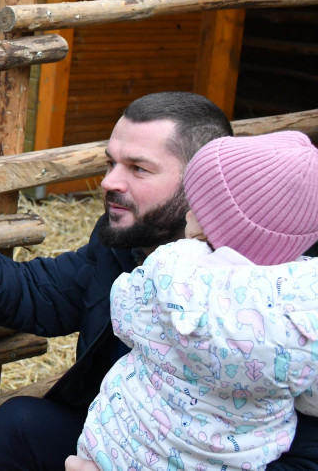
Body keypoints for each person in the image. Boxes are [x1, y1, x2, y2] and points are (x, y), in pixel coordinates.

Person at [0, 91, 318, 470]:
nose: (109, 182)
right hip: (123, 440)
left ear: (200, 184)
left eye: (138, 168)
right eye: (110, 163)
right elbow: (36, 294)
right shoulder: (128, 245)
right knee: (18, 426)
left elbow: (304, 459)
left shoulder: (292, 304)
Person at [66, 130, 318, 471]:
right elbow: (311, 400)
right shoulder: (308, 303)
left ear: (213, 226)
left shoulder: (174, 268)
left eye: (197, 208)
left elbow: (124, 315)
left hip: (123, 450)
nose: (186, 214)